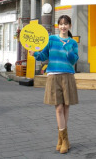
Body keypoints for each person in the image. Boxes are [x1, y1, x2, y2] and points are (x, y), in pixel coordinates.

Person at [29, 15, 79, 154]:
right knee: (58, 108)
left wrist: (68, 49)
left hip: (68, 75)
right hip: (53, 76)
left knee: (66, 107)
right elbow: (44, 56)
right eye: (61, 24)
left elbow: (74, 60)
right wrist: (35, 54)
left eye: (66, 24)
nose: (63, 26)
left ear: (69, 26)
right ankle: (64, 140)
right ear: (58, 26)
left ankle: (62, 140)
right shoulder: (51, 39)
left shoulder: (72, 42)